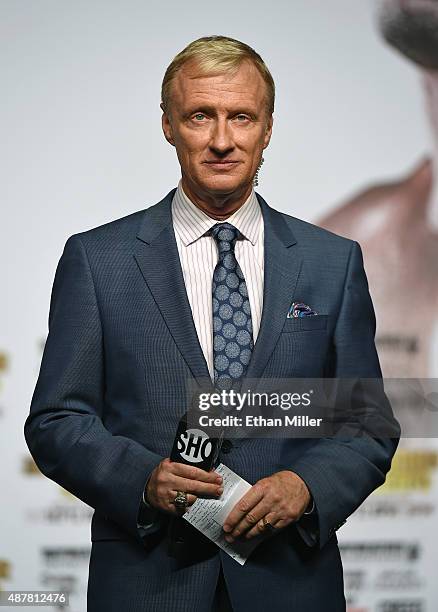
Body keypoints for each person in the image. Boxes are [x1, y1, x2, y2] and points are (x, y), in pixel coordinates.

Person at [24, 35, 400, 612]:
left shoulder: (333, 261)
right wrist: (142, 479)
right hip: (149, 583)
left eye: (241, 117)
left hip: (291, 583)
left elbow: (367, 424)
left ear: (268, 127)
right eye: (201, 116)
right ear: (169, 126)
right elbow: (56, 420)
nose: (222, 140)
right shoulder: (97, 260)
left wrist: (306, 488)